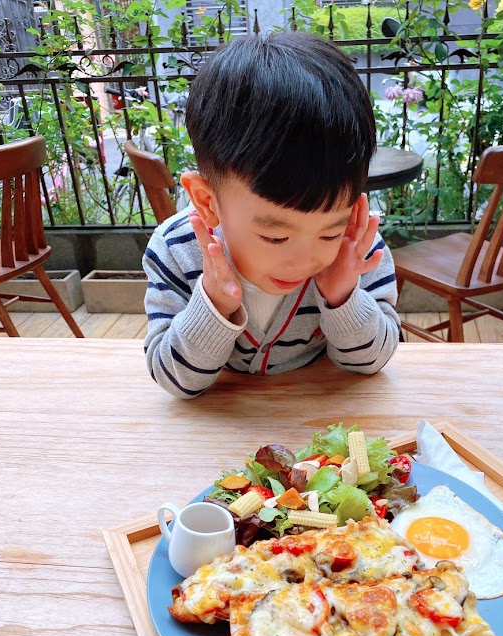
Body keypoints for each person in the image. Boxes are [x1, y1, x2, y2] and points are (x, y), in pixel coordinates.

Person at [143, 31, 400, 399]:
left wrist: (343, 296)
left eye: (328, 233)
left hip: (316, 419)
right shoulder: (177, 250)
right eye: (275, 237)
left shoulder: (357, 247)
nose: (304, 261)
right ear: (207, 201)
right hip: (220, 429)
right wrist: (214, 304)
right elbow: (176, 382)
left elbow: (371, 362)